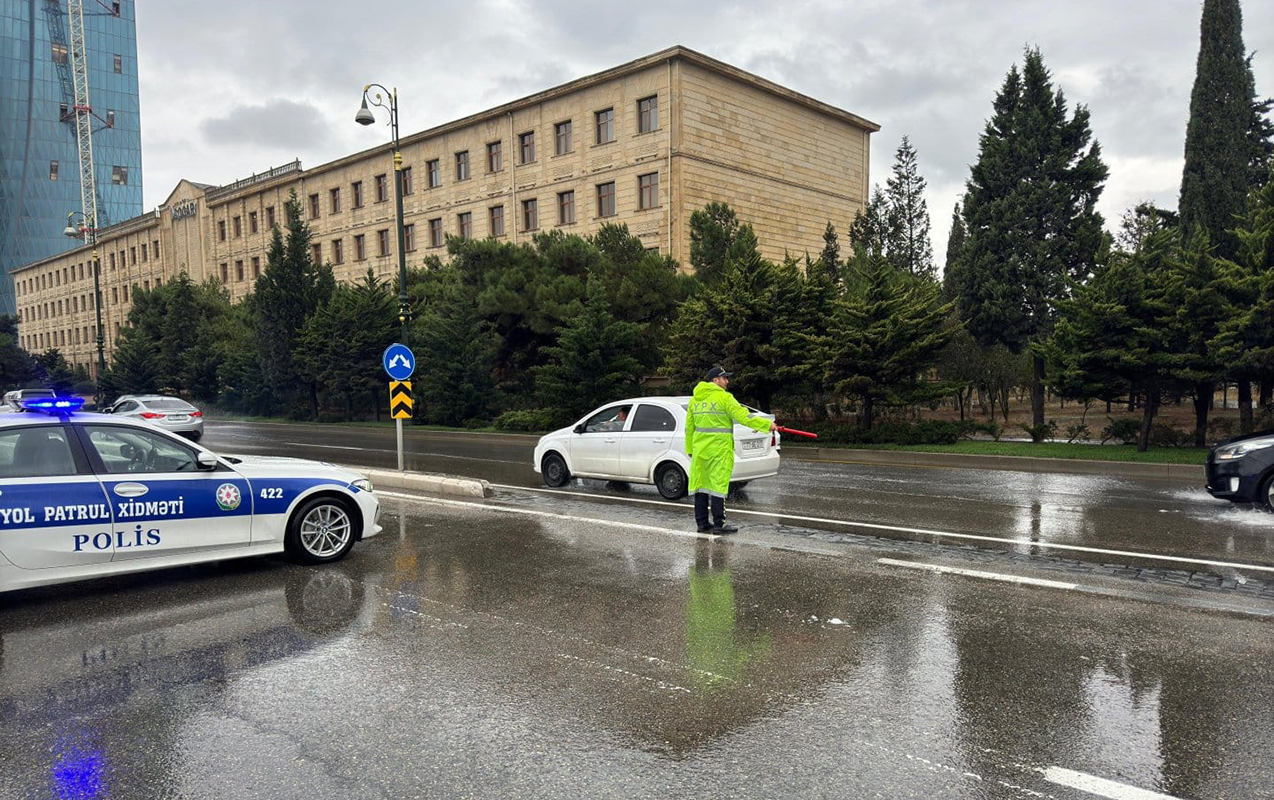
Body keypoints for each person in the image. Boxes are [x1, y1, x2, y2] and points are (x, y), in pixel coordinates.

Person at [685, 365, 772, 533]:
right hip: (719, 450)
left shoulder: (694, 401)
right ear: (715, 380)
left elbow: (689, 428)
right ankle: (719, 524)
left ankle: (702, 523)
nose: (727, 381)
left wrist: (690, 449)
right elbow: (744, 416)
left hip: (699, 451)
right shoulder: (725, 398)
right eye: (724, 378)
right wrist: (767, 425)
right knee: (718, 486)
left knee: (700, 486)